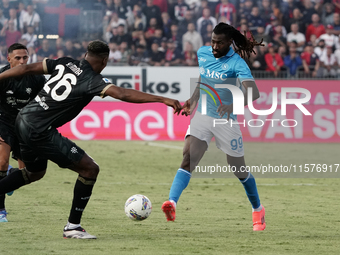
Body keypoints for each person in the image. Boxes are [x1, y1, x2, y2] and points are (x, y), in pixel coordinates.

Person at [0, 40, 182, 238]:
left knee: (34, 173)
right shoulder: (92, 80)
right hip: (39, 130)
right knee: (90, 169)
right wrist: (163, 99)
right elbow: (122, 93)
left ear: (86, 54)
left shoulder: (65, 62)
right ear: (105, 61)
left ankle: (72, 226)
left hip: (22, 119)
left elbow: (26, 69)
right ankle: (73, 227)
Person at [161, 23, 266, 231]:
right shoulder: (203, 53)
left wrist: (233, 104)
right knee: (188, 158)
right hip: (202, 116)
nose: (215, 46)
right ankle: (172, 203)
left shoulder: (237, 63)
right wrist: (193, 99)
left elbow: (254, 93)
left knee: (239, 169)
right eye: (212, 41)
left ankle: (258, 209)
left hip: (225, 121)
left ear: (229, 43)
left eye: (219, 43)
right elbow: (204, 77)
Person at [0, 43, 45, 222]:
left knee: (25, 171)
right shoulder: (2, 77)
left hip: (25, 125)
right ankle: (1, 209)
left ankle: (10, 175)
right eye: (17, 58)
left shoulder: (36, 78)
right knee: (1, 162)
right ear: (9, 58)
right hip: (3, 121)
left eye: (25, 58)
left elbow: (44, 104)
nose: (22, 61)